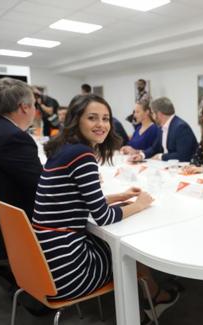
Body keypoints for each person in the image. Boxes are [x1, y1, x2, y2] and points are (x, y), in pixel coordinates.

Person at [32, 94, 177, 320]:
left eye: (106, 118)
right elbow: (103, 217)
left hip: (46, 259)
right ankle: (155, 299)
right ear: (76, 120)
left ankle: (153, 294)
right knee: (130, 251)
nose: (101, 125)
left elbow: (77, 199)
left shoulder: (64, 149)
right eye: (92, 118)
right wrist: (138, 205)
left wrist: (121, 196)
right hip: (68, 270)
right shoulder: (82, 155)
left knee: (112, 242)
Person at [0, 77, 42, 261]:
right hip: (9, 227)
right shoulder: (14, 138)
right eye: (35, 105)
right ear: (24, 107)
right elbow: (40, 188)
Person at [129, 97, 197, 162]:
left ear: (159, 114)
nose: (152, 116)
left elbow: (183, 156)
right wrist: (141, 155)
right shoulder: (161, 127)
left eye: (152, 113)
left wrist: (161, 156)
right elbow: (154, 148)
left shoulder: (181, 127)